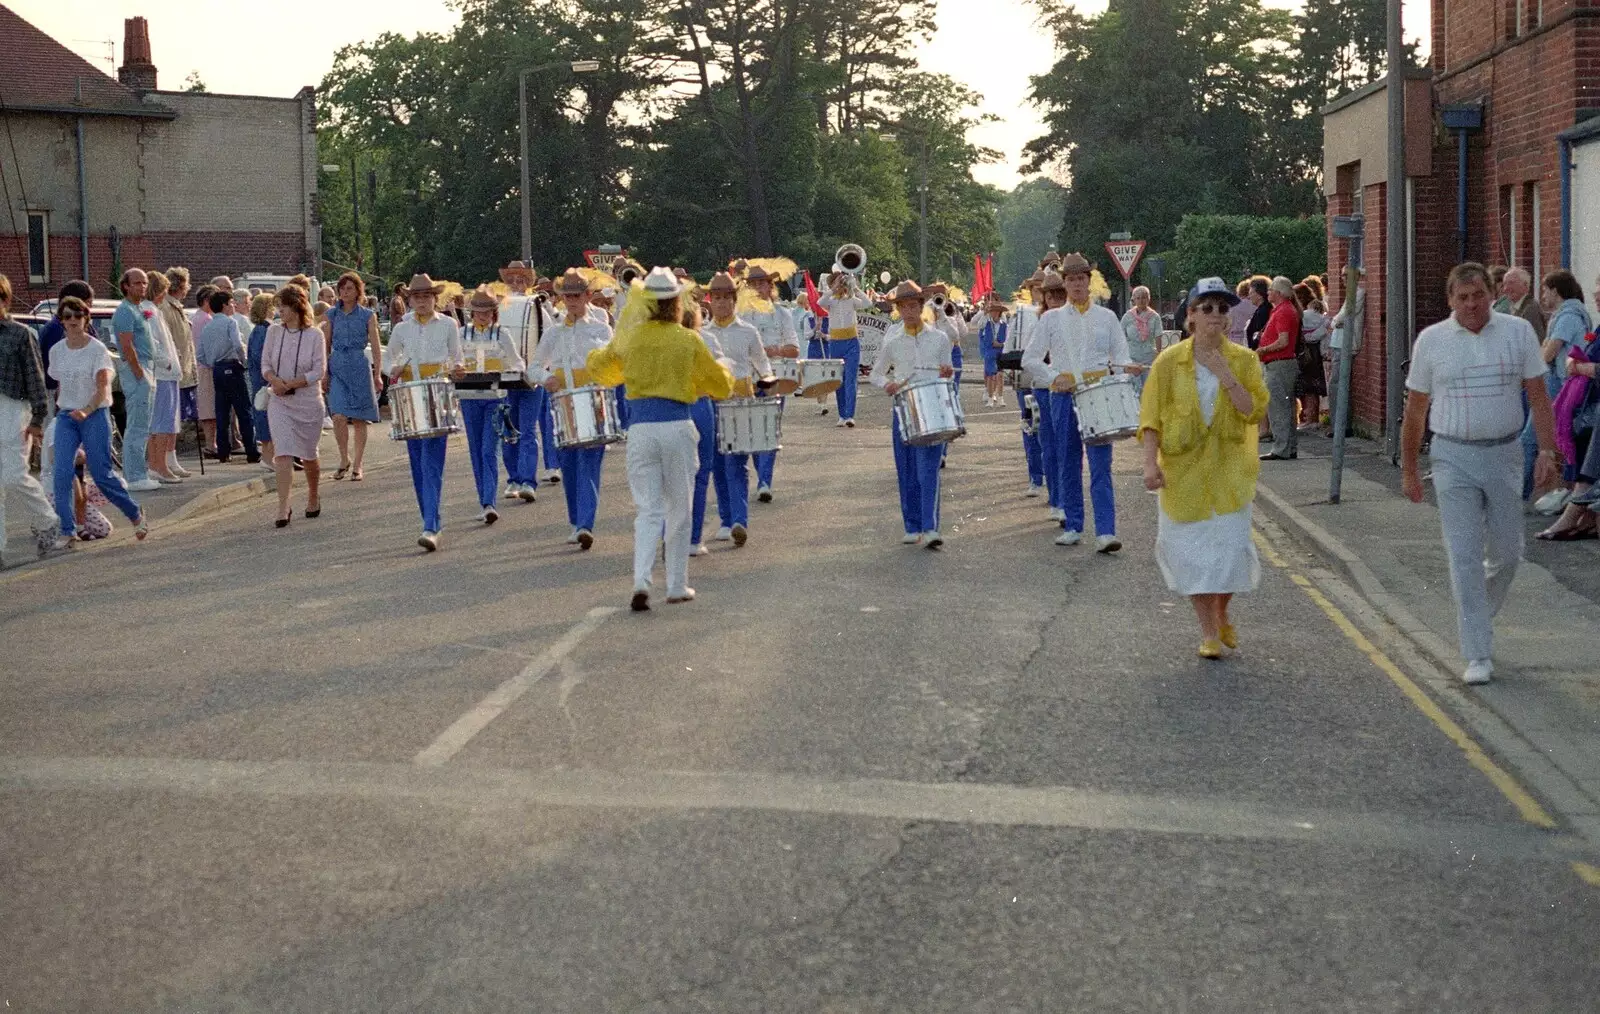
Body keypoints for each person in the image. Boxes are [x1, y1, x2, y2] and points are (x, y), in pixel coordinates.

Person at [1402, 262, 1560, 686]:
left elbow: (1539, 396)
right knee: (1464, 555)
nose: (1471, 304)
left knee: (1509, 553)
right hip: (1452, 457)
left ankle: (1477, 618)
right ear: (1451, 300)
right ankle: (1476, 650)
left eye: (1478, 295)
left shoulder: (1517, 333)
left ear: (1493, 294)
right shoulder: (1431, 341)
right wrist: (1411, 470)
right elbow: (1416, 410)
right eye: (1462, 297)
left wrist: (1548, 450)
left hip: (1505, 452)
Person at [587, 267, 734, 610]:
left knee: (647, 510)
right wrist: (720, 370)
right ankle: (676, 585)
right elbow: (721, 385)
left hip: (640, 428)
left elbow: (602, 368)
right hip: (677, 426)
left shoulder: (633, 338)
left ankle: (641, 580)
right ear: (676, 302)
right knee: (679, 509)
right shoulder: (688, 339)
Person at [1140, 278, 1268, 658]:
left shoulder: (1245, 360)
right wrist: (1149, 464)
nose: (1215, 315)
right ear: (1191, 316)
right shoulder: (1168, 363)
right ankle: (1209, 631)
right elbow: (1151, 419)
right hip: (1184, 477)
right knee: (1191, 556)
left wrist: (1223, 372)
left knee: (1229, 554)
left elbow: (1253, 411)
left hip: (1230, 475)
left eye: (1222, 309)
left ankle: (1222, 610)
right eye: (1206, 308)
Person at [1025, 252, 1142, 551]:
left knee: (1101, 464)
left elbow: (1121, 354)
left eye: (1081, 278)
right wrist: (1053, 376)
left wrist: (1127, 366)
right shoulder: (1051, 319)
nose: (1077, 284)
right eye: (1072, 279)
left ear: (1090, 281)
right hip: (1064, 396)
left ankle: (1106, 532)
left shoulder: (1107, 317)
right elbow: (1030, 359)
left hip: (1099, 394)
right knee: (1068, 460)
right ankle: (1074, 525)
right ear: (1064, 284)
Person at [47, 295, 146, 542]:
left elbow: (103, 388)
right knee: (61, 472)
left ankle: (134, 513)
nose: (72, 320)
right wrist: (60, 415)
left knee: (102, 474)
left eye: (77, 315)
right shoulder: (57, 351)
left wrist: (87, 410)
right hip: (67, 416)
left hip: (94, 413)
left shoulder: (97, 350)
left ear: (85, 318)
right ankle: (67, 530)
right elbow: (61, 384)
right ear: (61, 320)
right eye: (67, 316)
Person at [869, 280, 956, 548]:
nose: (908, 311)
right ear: (898, 309)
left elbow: (948, 372)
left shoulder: (940, 338)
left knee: (928, 469)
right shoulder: (893, 341)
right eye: (903, 307)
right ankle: (912, 525)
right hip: (904, 407)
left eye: (913, 306)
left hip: (931, 406)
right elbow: (875, 373)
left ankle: (930, 527)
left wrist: (946, 373)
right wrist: (888, 384)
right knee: (906, 469)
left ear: (921, 306)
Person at [386, 274, 463, 550]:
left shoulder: (448, 324)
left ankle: (431, 524)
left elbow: (458, 357)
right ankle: (430, 519)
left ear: (434, 298)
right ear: (409, 300)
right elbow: (387, 358)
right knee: (418, 464)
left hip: (437, 391)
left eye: (426, 297)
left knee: (432, 461)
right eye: (416, 297)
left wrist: (457, 369)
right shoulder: (402, 328)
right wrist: (392, 369)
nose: (421, 301)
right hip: (410, 392)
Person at [538, 271, 614, 549]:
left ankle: (585, 524)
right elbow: (534, 366)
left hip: (592, 399)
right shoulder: (553, 331)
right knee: (568, 464)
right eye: (567, 296)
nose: (571, 301)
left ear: (587, 296)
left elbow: (612, 361)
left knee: (590, 462)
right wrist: (545, 378)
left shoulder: (601, 328)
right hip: (562, 400)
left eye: (577, 295)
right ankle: (575, 521)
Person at [701, 271, 774, 548]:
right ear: (709, 301)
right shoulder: (702, 334)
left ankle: (739, 521)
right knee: (717, 464)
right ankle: (725, 519)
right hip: (713, 402)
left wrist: (768, 386)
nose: (721, 303)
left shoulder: (748, 331)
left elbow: (763, 364)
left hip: (742, 402)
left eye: (725, 298)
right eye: (716, 298)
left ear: (734, 300)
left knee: (737, 463)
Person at [0, 273, 67, 560]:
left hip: (13, 407)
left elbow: (35, 378)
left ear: (4, 299)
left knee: (14, 475)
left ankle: (47, 522)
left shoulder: (19, 334)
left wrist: (39, 418)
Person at [457, 287, 526, 527]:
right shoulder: (461, 334)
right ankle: (483, 501)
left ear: (494, 312)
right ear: (471, 311)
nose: (483, 315)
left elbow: (517, 362)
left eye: (487, 310)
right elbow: (451, 362)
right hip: (469, 398)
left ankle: (489, 503)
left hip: (496, 399)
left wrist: (513, 372)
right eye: (478, 310)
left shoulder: (502, 334)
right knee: (476, 451)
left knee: (489, 449)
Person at [261, 284, 327, 528]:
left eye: (284, 307)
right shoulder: (274, 333)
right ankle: (283, 505)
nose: (279, 311)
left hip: (308, 401)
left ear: (297, 308)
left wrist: (294, 383)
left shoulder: (314, 335)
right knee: (283, 452)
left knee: (309, 456)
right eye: (278, 307)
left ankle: (312, 495)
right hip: (280, 401)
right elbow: (265, 364)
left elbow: (319, 370)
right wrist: (275, 381)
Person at [1526, 270, 1592, 504]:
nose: (1542, 295)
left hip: (1561, 383)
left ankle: (1523, 494)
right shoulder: (1566, 315)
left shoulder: (1568, 316)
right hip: (1564, 382)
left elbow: (1548, 352)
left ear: (1556, 290)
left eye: (1545, 289)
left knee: (1532, 438)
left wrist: (1536, 360)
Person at [741, 265, 798, 502]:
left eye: (761, 283)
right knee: (754, 431)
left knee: (770, 427)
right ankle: (762, 475)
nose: (757, 288)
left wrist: (774, 350)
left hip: (775, 376)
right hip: (748, 378)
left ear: (770, 286)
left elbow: (794, 349)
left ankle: (765, 481)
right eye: (752, 284)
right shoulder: (741, 315)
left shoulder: (782, 313)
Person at [322, 272, 383, 482]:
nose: (345, 292)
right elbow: (326, 343)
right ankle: (343, 458)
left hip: (358, 364)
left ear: (358, 291)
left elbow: (375, 346)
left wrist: (377, 374)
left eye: (349, 288)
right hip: (337, 364)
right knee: (338, 414)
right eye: (342, 289)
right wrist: (324, 372)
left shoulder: (367, 315)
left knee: (359, 419)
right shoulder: (332, 314)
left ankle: (358, 464)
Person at [497, 260, 548, 501]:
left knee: (528, 430)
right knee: (509, 429)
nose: (516, 284)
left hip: (531, 377)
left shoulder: (538, 307)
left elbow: (548, 338)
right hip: (506, 378)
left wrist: (541, 368)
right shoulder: (499, 307)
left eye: (521, 280)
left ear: (529, 283)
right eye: (512, 280)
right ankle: (513, 479)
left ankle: (528, 481)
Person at [195, 289, 260, 465]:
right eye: (231, 303)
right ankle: (251, 451)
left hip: (217, 369)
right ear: (224, 305)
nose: (233, 306)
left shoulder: (208, 326)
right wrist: (244, 361)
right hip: (233, 366)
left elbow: (199, 354)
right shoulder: (231, 323)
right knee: (244, 411)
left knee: (222, 412)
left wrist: (211, 362)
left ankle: (223, 452)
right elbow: (238, 345)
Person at [111, 268, 162, 491]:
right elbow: (126, 344)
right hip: (137, 370)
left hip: (148, 367)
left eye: (144, 282)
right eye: (137, 283)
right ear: (126, 286)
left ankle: (138, 470)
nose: (142, 286)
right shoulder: (125, 311)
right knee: (137, 424)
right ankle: (134, 475)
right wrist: (139, 373)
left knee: (144, 422)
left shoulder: (139, 309)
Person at [1025, 271, 1070, 520]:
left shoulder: (1072, 319)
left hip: (1066, 389)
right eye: (1051, 296)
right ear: (1045, 299)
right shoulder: (1037, 321)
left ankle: (1065, 499)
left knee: (1067, 447)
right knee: (1050, 448)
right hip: (1043, 388)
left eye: (1060, 295)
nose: (1056, 300)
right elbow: (1029, 357)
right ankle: (1056, 499)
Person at [1004, 271, 1049, 497]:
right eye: (1035, 288)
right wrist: (1009, 368)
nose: (1039, 292)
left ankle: (1052, 479)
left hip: (1049, 378)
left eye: (1043, 288)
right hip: (1025, 378)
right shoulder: (1021, 314)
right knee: (1031, 428)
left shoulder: (1055, 313)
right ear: (1030, 290)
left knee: (1048, 431)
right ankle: (1035, 478)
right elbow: (1010, 342)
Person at [817, 270, 873, 426]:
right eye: (838, 283)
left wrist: (855, 288)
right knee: (838, 381)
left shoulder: (852, 300)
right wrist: (833, 289)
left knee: (851, 379)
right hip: (836, 343)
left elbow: (868, 303)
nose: (841, 286)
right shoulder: (831, 302)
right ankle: (841, 415)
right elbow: (819, 302)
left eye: (843, 283)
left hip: (851, 343)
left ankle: (849, 415)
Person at [143, 270, 184, 483]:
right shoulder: (149, 313)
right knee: (161, 422)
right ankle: (158, 465)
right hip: (162, 374)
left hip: (166, 373)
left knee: (164, 421)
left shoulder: (154, 311)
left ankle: (160, 464)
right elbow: (153, 344)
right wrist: (166, 361)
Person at [1258, 276, 1302, 461]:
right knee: (1286, 406)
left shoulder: (1283, 311)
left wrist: (1263, 349)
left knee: (1278, 408)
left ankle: (1281, 448)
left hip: (1279, 363)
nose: (1268, 293)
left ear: (1278, 293)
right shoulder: (1283, 310)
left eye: (1270, 290)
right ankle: (1289, 446)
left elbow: (1283, 341)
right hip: (1281, 363)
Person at [245, 291, 276, 466]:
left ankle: (271, 455)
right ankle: (267, 456)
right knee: (265, 415)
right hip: (264, 381)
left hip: (263, 379)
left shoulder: (262, 329)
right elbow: (260, 356)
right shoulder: (263, 330)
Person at [1294, 282, 1329, 428]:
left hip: (1308, 353)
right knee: (1313, 387)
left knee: (1309, 387)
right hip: (1315, 353)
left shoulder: (1305, 314)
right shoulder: (1317, 312)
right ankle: (1312, 418)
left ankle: (1310, 419)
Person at [1120, 284, 1164, 394]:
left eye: (1144, 297)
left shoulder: (1155, 317)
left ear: (1148, 299)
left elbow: (1158, 336)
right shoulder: (1127, 316)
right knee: (1134, 390)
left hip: (1148, 357)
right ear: (1133, 300)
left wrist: (1158, 356)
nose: (1141, 300)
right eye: (1138, 298)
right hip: (1132, 358)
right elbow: (1120, 336)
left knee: (1148, 390)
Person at [976, 293, 1009, 407]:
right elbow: (979, 326)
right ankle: (990, 398)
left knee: (1000, 376)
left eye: (995, 311)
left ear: (999, 312)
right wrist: (984, 314)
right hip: (989, 352)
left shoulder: (1005, 325)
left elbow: (1008, 341)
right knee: (990, 376)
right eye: (992, 311)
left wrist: (1000, 344)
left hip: (1000, 352)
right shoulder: (987, 323)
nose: (993, 313)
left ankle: (1000, 398)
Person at [1243, 276, 1270, 351]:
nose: (1249, 297)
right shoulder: (1263, 309)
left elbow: (1259, 336)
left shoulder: (1263, 312)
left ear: (1260, 295)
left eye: (1251, 293)